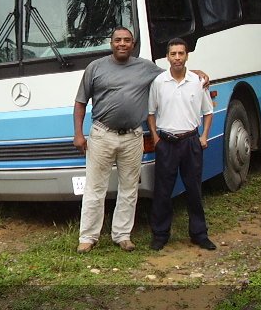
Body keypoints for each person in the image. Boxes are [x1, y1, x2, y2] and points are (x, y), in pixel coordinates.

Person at [73, 27, 207, 254]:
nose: (122, 44)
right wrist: (78, 134)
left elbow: (171, 73)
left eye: (127, 40)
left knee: (129, 188)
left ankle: (122, 235)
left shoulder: (144, 67)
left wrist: (195, 72)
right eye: (118, 40)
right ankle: (88, 237)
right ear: (111, 43)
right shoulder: (95, 68)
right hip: (102, 135)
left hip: (132, 137)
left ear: (133, 44)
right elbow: (80, 103)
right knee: (95, 187)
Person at [147, 37, 216, 251]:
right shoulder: (159, 82)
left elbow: (208, 111)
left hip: (190, 142)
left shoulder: (198, 81)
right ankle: (160, 234)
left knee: (194, 189)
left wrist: (203, 136)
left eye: (181, 53)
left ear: (187, 56)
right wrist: (156, 138)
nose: (177, 58)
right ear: (167, 57)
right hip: (166, 143)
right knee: (162, 192)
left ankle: (199, 233)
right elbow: (150, 113)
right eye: (173, 54)